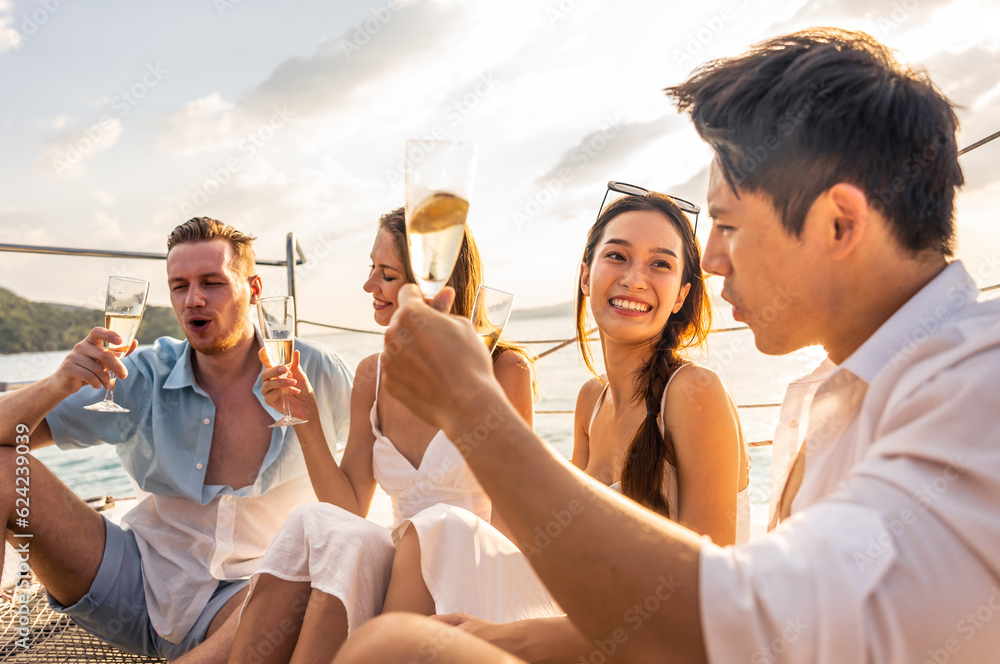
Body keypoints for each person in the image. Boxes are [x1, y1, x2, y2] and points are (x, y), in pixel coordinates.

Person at [332, 28, 1000, 663]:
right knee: (393, 644)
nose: (709, 260)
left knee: (393, 647)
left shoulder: (975, 384)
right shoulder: (836, 392)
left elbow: (738, 628)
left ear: (838, 223)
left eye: (729, 225)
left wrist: (472, 410)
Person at [377, 190, 750, 659]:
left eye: (660, 264)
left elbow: (703, 610)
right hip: (593, 616)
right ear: (585, 276)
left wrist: (498, 635)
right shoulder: (591, 400)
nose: (634, 278)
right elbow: (558, 549)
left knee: (394, 637)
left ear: (682, 296)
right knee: (437, 533)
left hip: (660, 645)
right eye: (617, 255)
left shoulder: (693, 392)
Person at [0, 217, 353, 661]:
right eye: (179, 286)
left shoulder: (316, 372)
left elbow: (380, 467)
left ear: (254, 288)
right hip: (133, 583)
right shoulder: (140, 374)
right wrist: (58, 384)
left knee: (294, 590)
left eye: (212, 282)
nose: (194, 300)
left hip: (245, 600)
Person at [225, 207, 535, 664]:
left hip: (479, 564)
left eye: (385, 273)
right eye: (371, 269)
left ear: (432, 285)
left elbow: (519, 512)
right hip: (404, 567)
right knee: (316, 523)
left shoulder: (502, 370)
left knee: (437, 525)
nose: (369, 285)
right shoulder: (372, 375)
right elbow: (349, 506)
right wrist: (306, 420)